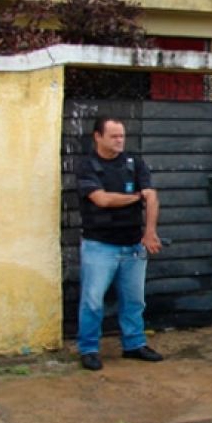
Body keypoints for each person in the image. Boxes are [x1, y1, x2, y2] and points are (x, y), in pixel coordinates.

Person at [75, 117, 164, 371]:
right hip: (99, 245)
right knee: (93, 300)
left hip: (133, 244)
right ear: (98, 137)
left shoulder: (134, 163)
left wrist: (150, 232)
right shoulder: (87, 166)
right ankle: (89, 349)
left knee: (134, 300)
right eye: (113, 136)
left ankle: (134, 344)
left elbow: (152, 198)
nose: (119, 140)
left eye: (122, 136)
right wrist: (136, 197)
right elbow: (102, 200)